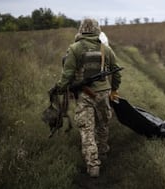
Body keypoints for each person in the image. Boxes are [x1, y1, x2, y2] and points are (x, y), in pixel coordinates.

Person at [51, 18, 121, 177]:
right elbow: (116, 73)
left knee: (87, 129)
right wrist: (114, 90)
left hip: (84, 95)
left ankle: (93, 165)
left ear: (81, 30)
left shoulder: (74, 48)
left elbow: (67, 74)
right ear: (97, 29)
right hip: (103, 94)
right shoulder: (106, 49)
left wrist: (60, 89)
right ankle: (103, 153)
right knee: (103, 125)